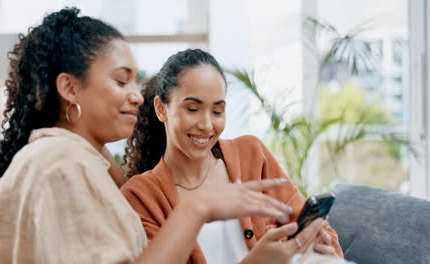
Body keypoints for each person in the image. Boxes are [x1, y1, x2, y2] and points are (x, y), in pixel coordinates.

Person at [0, 7, 313, 264]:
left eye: (136, 81)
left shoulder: (75, 160)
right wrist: (199, 207)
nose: (136, 95)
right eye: (121, 81)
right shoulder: (58, 164)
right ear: (69, 87)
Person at [121, 49, 345, 264]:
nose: (207, 125)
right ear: (161, 108)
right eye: (193, 109)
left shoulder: (252, 155)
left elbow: (316, 230)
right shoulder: (141, 197)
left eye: (217, 111)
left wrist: (321, 247)